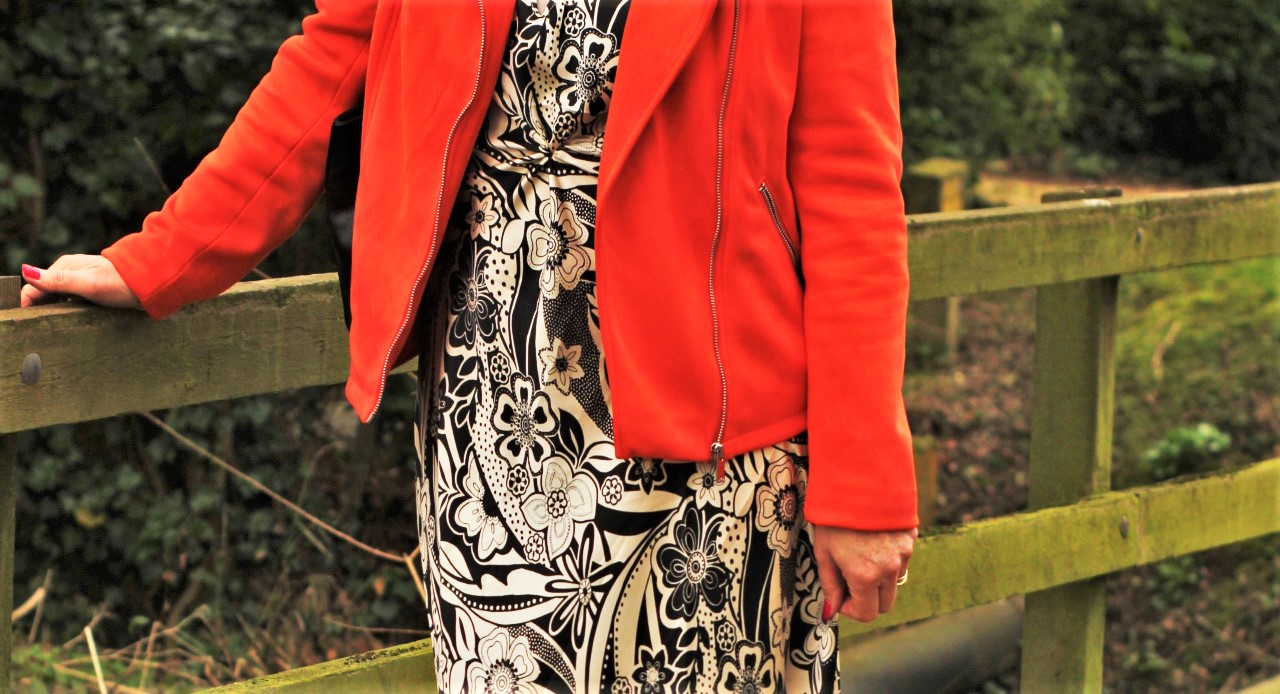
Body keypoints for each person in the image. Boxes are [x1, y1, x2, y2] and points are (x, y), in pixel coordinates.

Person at [19, 0, 919, 691]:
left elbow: (852, 190)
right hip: (490, 408)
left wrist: (865, 480)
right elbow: (330, 65)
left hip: (711, 438)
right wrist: (159, 259)